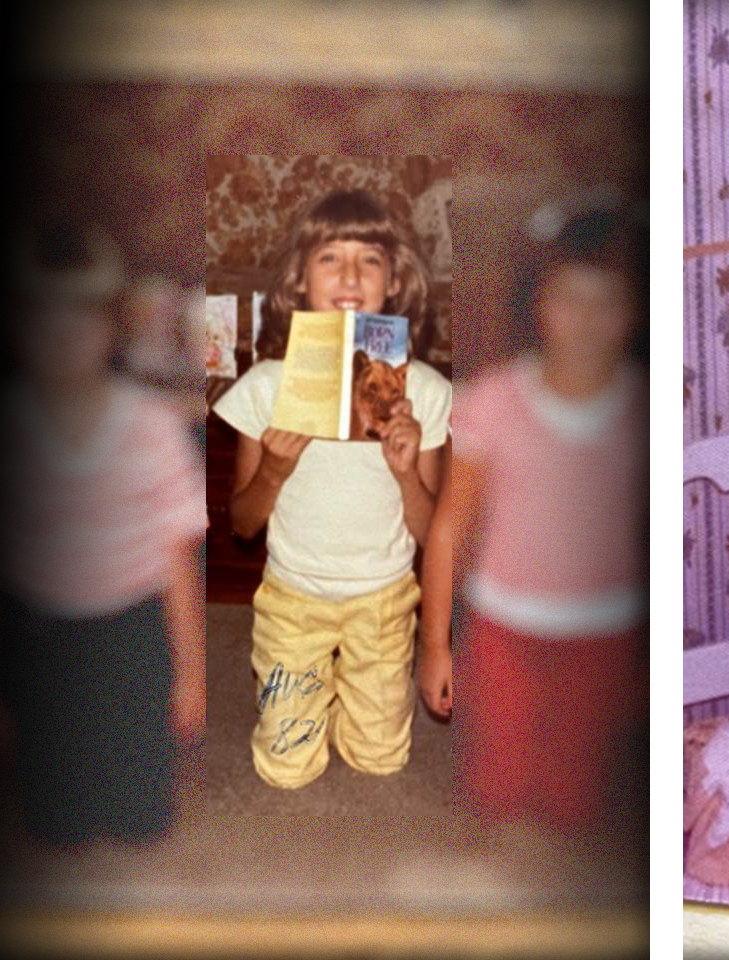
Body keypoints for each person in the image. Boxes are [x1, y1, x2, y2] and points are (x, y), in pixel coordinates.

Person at [417, 207, 649, 848]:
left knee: (575, 797)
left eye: (607, 304)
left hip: (605, 630)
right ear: (538, 306)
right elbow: (451, 527)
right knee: (499, 782)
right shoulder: (491, 403)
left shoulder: (646, 407)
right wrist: (437, 638)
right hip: (504, 624)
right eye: (568, 301)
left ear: (634, 314)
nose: (585, 322)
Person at [212, 189, 451, 789]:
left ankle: (351, 700)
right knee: (285, 770)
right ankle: (304, 696)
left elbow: (433, 534)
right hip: (295, 596)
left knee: (380, 759)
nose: (350, 274)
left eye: (369, 258)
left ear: (393, 280)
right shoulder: (268, 386)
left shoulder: (424, 391)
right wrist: (272, 470)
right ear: (299, 279)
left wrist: (403, 470)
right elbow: (241, 525)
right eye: (329, 258)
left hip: (385, 597)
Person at [0, 223, 207, 843]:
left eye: (82, 321)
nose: (63, 339)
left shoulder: (154, 426)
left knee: (137, 811)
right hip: (38, 630)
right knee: (55, 817)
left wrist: (190, 672)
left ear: (112, 330)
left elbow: (178, 559)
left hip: (132, 629)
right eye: (44, 320)